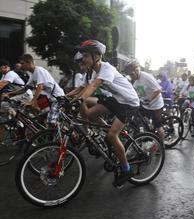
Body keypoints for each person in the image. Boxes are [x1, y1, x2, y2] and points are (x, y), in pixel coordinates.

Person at [77, 40, 140, 187]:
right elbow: (85, 87)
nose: (83, 59)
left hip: (129, 103)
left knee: (112, 135)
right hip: (116, 100)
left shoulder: (106, 68)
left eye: (86, 55)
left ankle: (126, 169)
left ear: (97, 56)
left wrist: (80, 99)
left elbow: (94, 86)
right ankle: (107, 135)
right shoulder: (95, 71)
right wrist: (70, 99)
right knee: (87, 114)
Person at [18, 54, 65, 126]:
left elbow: (40, 87)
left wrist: (32, 101)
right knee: (38, 116)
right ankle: (44, 133)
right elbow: (25, 89)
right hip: (49, 98)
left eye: (22, 63)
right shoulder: (33, 75)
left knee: (51, 122)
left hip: (57, 98)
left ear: (29, 62)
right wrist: (9, 94)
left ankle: (62, 132)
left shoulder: (38, 70)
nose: (21, 65)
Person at [125, 60, 165, 139]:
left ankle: (162, 145)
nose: (131, 76)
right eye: (129, 75)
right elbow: (134, 92)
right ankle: (146, 135)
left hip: (156, 105)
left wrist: (149, 100)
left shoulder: (146, 77)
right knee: (139, 118)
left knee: (158, 127)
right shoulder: (135, 81)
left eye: (131, 74)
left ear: (137, 70)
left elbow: (158, 90)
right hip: (146, 106)